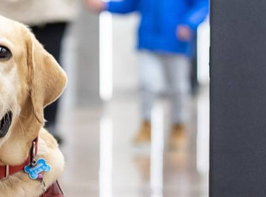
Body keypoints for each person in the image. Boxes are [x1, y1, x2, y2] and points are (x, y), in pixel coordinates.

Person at [86, 0, 209, 148]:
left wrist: (189, 23)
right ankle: (146, 124)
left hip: (176, 41)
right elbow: (130, 4)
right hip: (148, 40)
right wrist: (105, 6)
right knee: (147, 84)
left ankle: (178, 125)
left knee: (178, 88)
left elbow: (202, 5)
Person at [0, 0, 79, 143]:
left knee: (50, 67)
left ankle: (48, 126)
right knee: (10, 67)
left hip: (54, 9)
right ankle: (10, 123)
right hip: (12, 10)